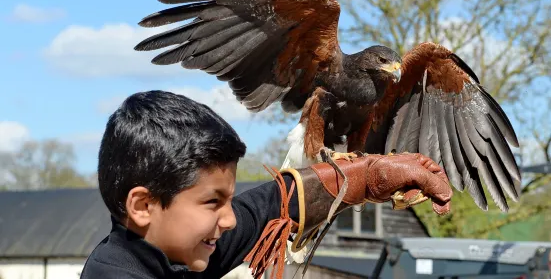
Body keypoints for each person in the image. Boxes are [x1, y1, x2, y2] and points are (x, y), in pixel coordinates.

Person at [80, 90, 453, 279]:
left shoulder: (166, 250)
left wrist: (365, 177)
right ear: (143, 206)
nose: (228, 221)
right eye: (212, 203)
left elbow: (264, 208)